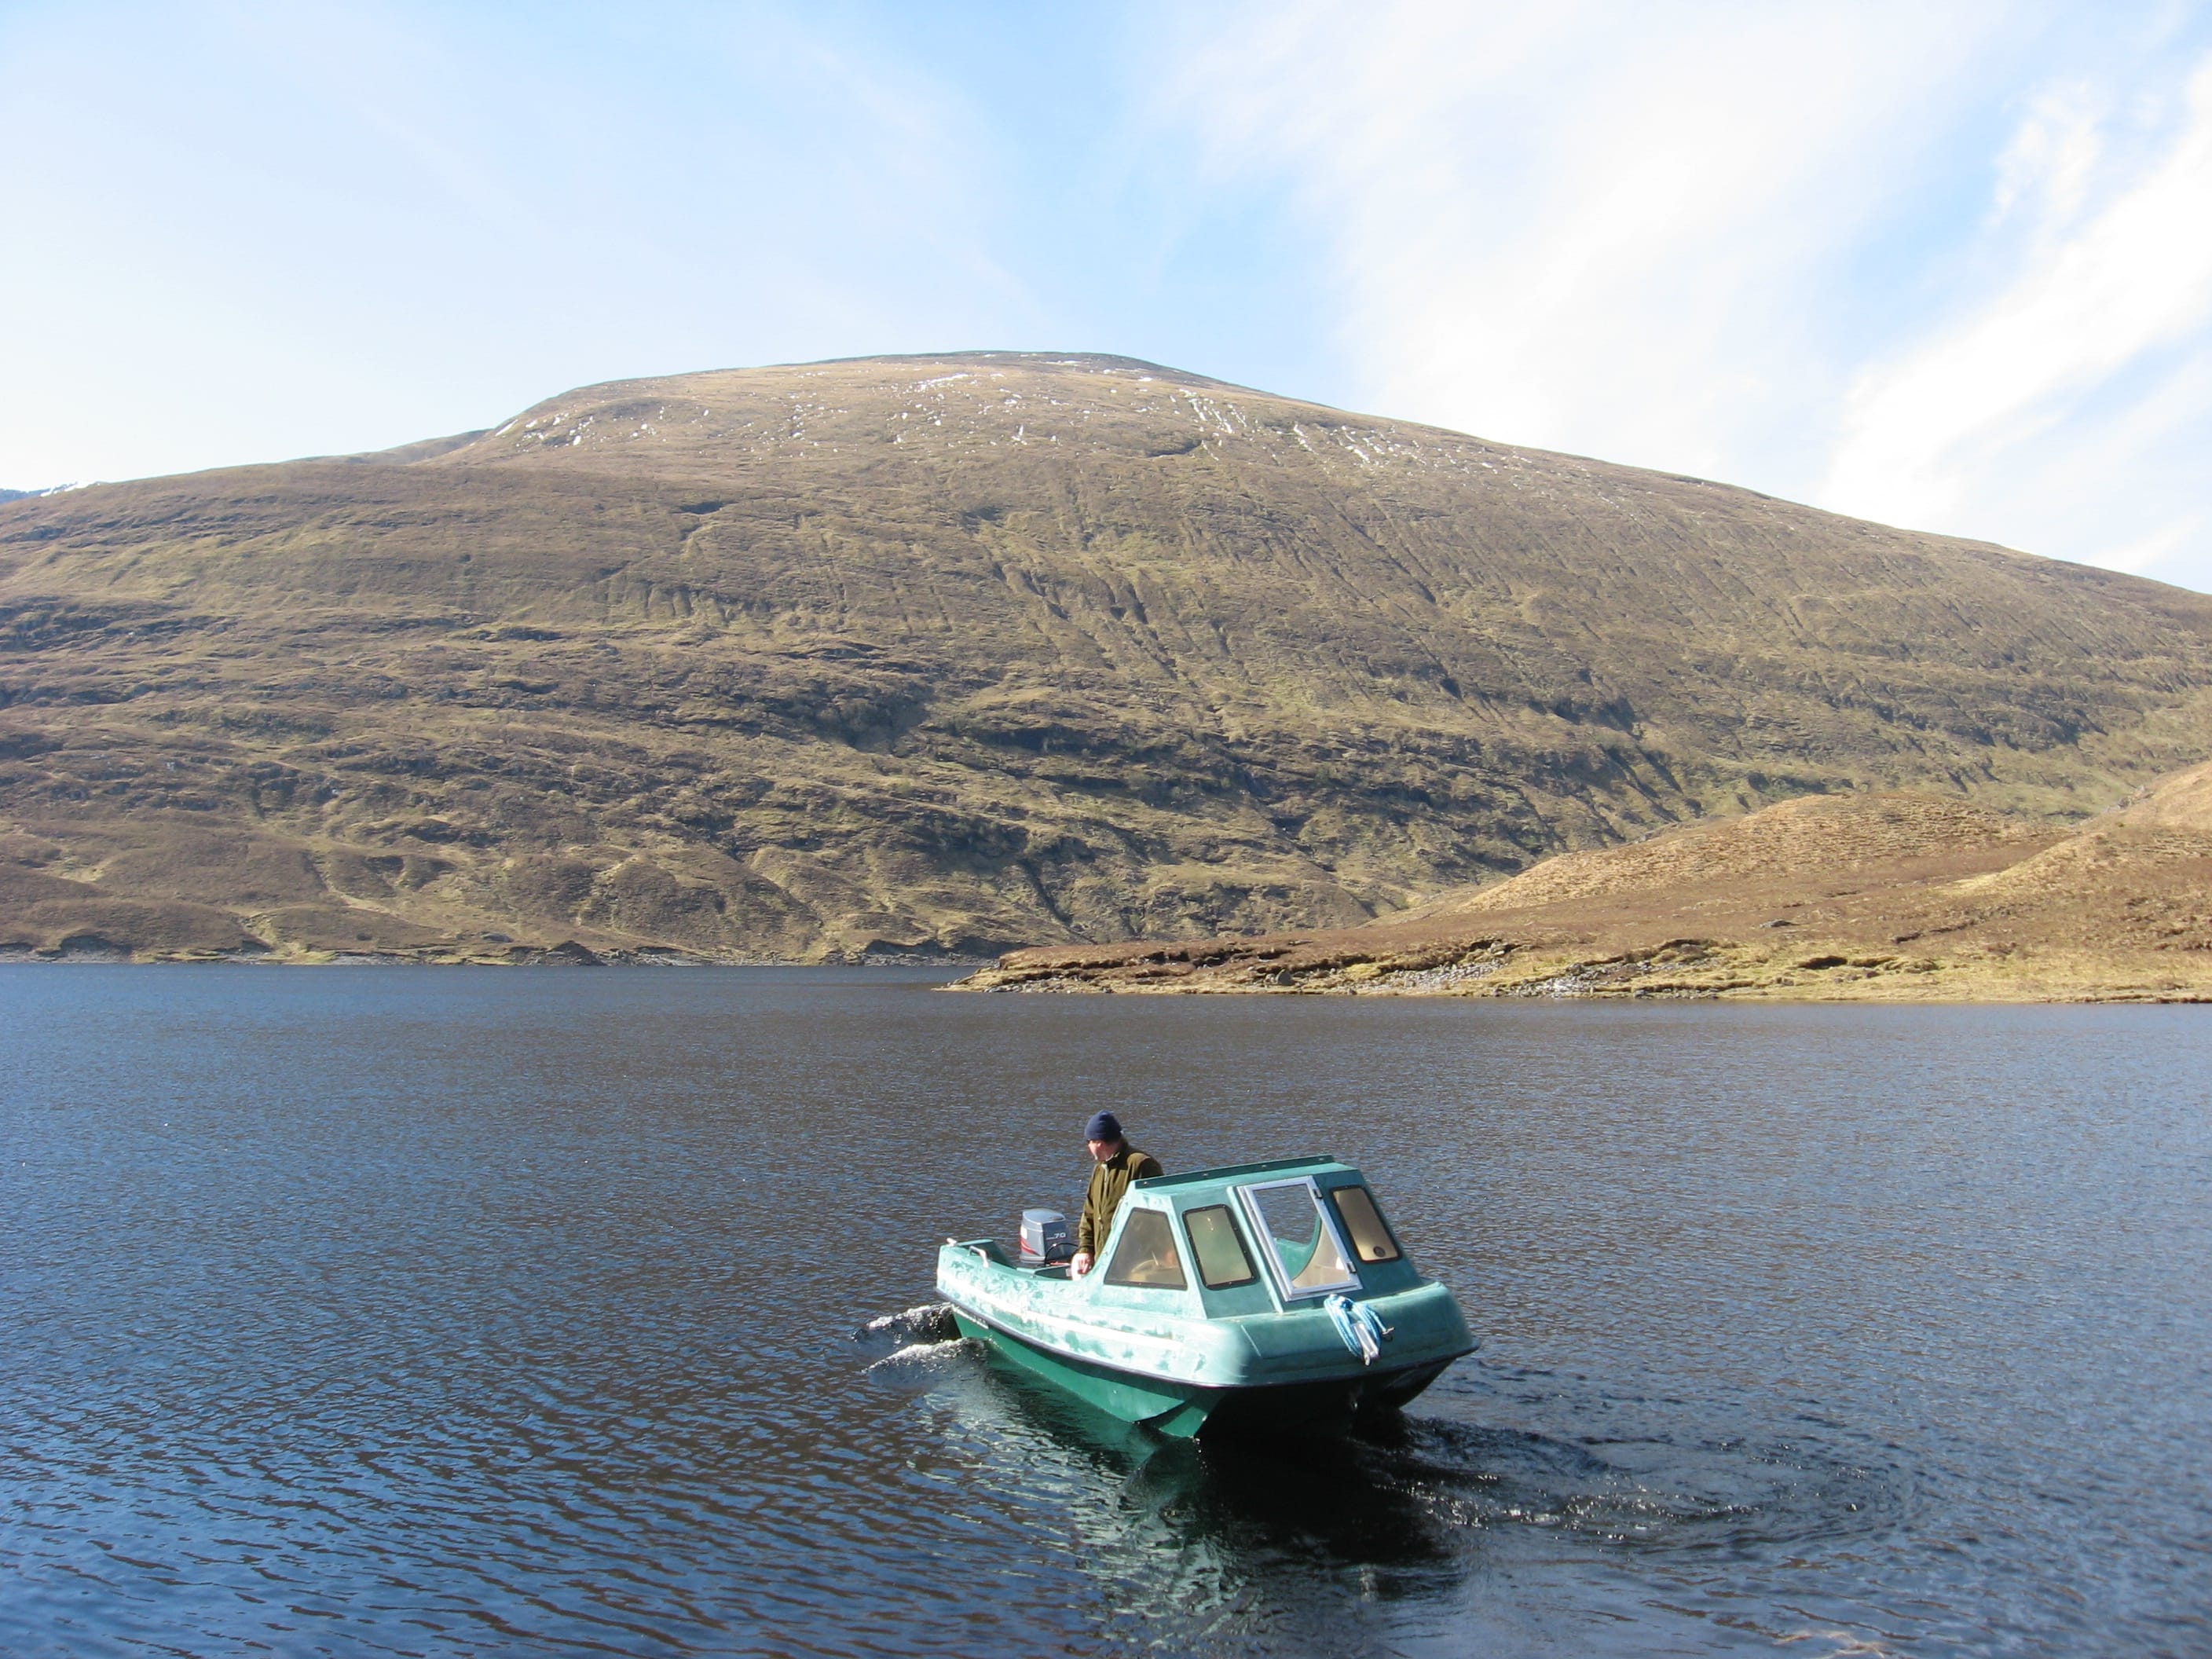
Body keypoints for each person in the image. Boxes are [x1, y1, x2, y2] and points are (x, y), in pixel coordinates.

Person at [1070, 1111, 1163, 1276]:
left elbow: (1159, 1217)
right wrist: (1085, 1249)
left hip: (1135, 1264)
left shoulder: (1142, 1164)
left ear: (1099, 1143)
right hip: (1103, 1261)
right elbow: (1090, 1213)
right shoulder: (1100, 1168)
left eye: (1089, 1142)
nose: (1088, 1147)